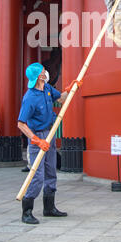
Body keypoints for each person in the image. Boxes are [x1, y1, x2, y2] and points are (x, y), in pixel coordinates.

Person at [17, 63, 82, 225]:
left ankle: (49, 207)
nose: (46, 72)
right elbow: (21, 124)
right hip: (37, 137)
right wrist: (36, 140)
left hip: (50, 134)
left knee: (51, 171)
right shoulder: (30, 98)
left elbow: (61, 98)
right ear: (39, 76)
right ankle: (27, 211)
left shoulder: (47, 88)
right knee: (37, 175)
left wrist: (72, 88)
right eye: (43, 70)